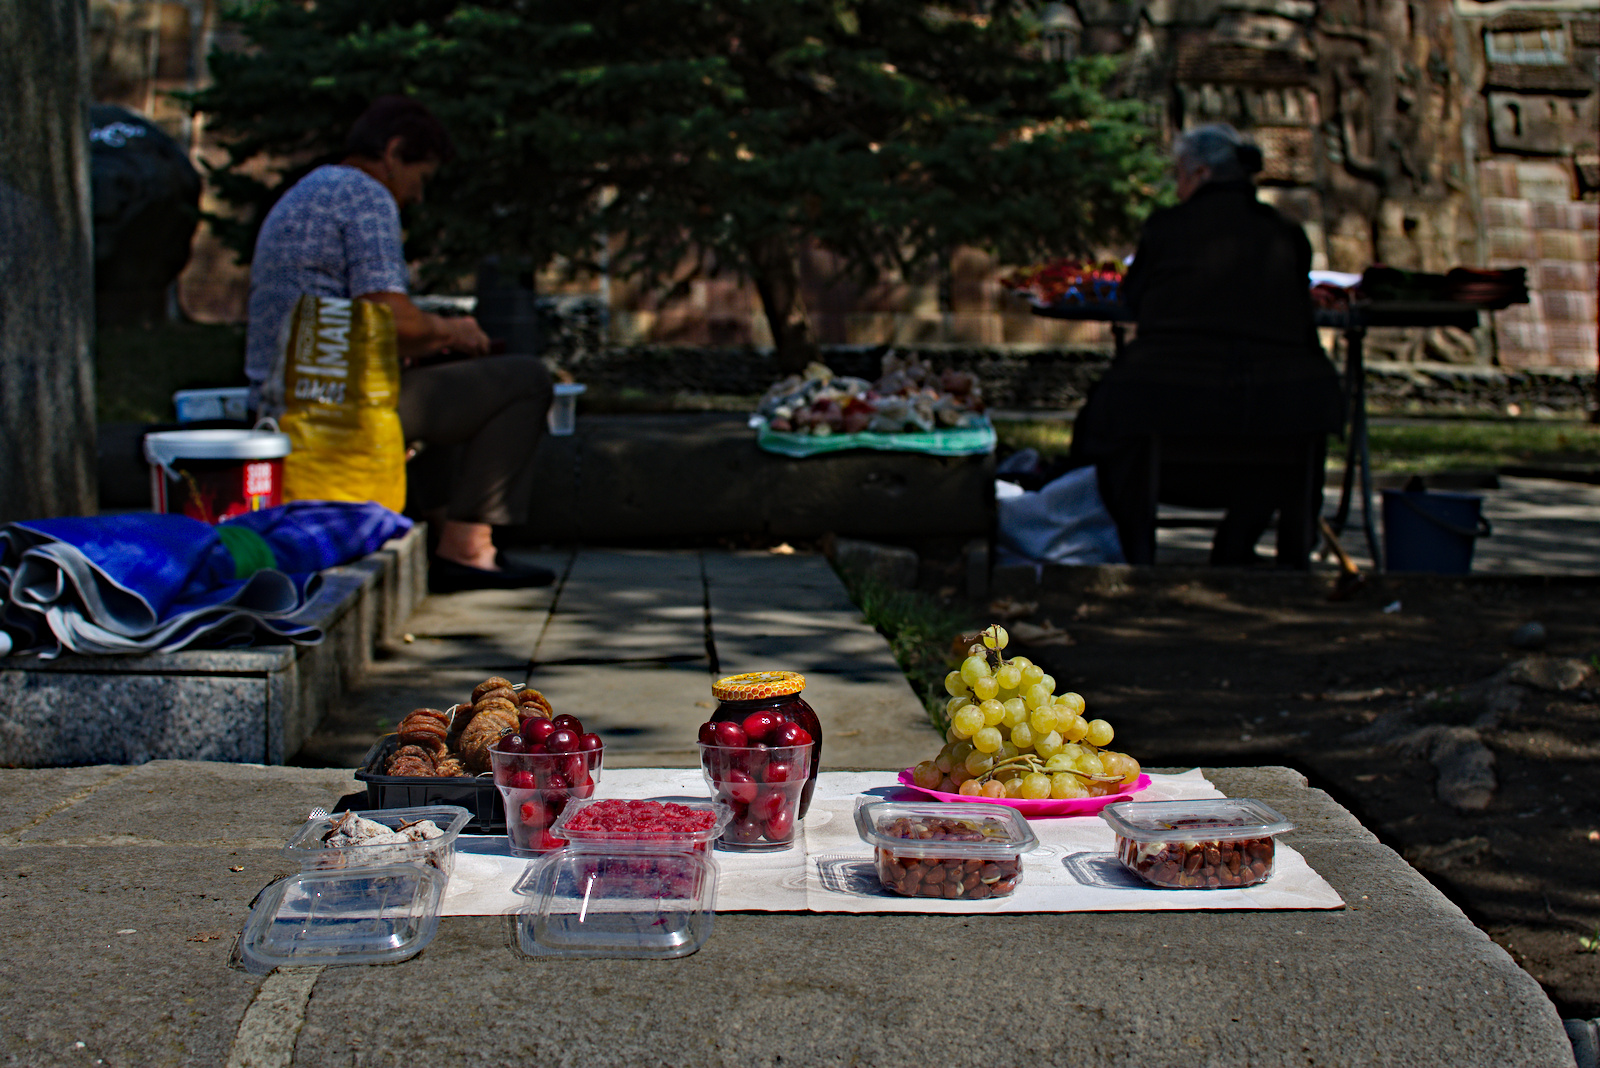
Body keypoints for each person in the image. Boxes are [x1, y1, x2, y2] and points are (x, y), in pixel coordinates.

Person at [246, 95, 555, 591]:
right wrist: (453, 329)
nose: (418, 195)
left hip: (282, 401)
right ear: (393, 153)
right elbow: (390, 319)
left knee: (440, 378)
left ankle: (435, 526)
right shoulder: (366, 196)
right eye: (421, 176)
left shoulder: (304, 193)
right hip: (333, 410)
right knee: (526, 380)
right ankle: (468, 549)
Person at [1068, 123, 1344, 567]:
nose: (1177, 185)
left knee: (1104, 425)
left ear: (1199, 173)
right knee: (1297, 430)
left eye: (1179, 173)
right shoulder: (1285, 233)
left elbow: (1134, 297)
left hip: (1172, 396)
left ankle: (1131, 550)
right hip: (1282, 399)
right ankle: (1244, 541)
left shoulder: (1168, 227)